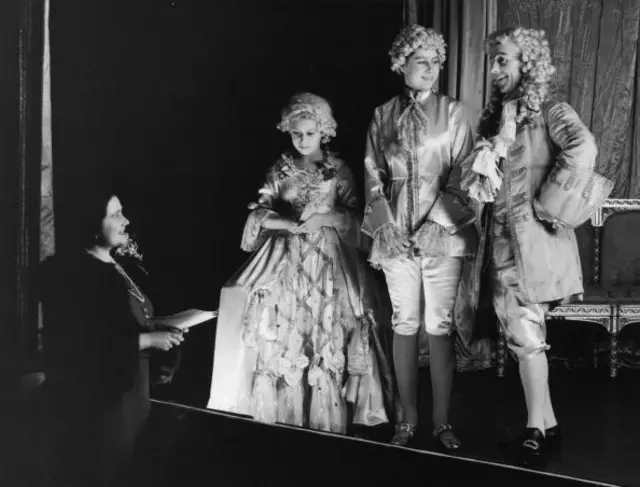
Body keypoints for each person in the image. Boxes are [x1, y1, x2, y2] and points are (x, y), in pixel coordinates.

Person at [459, 26, 612, 466]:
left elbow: (584, 148)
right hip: (500, 245)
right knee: (524, 336)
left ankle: (535, 430)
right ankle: (547, 426)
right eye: (493, 60)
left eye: (503, 59)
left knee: (527, 338)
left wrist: (550, 204)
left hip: (533, 245)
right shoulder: (497, 119)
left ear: (528, 62)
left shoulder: (550, 110)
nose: (494, 69)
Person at [207, 92, 394, 435]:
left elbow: (355, 215)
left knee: (336, 323)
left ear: (323, 131)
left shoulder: (338, 170)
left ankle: (328, 417)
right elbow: (259, 211)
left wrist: (326, 218)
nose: (303, 140)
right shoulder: (280, 169)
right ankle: (284, 417)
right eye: (297, 133)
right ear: (288, 131)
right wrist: (287, 223)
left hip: (329, 259)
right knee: (280, 325)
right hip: (288, 257)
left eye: (310, 133)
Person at [361, 25, 478, 449]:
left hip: (441, 235)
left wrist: (435, 225)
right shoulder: (382, 115)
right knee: (405, 322)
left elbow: (465, 173)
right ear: (402, 64)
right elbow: (373, 176)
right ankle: (406, 419)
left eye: (435, 62)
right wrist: (388, 227)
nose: (430, 69)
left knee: (439, 324)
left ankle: (443, 421)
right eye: (421, 61)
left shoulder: (454, 112)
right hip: (395, 237)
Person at [41, 189, 186, 486]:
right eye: (114, 214)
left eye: (122, 212)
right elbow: (81, 343)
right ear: (92, 223)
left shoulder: (120, 266)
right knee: (106, 466)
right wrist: (148, 341)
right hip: (105, 397)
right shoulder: (74, 273)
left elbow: (124, 323)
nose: (125, 221)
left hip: (135, 385)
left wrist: (163, 327)